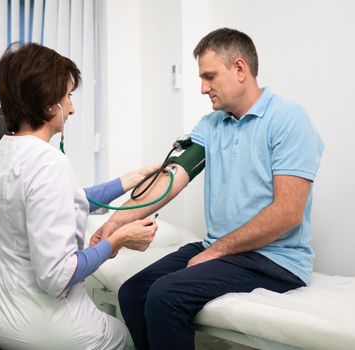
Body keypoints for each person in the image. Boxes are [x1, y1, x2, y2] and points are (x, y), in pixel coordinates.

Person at [90, 27, 324, 350]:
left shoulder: (288, 119)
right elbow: (170, 180)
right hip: (223, 250)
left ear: (240, 69)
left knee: (165, 297)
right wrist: (115, 224)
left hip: (273, 259)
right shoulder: (212, 125)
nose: (202, 88)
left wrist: (213, 252)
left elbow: (287, 213)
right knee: (132, 292)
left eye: (210, 76)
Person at [0, 42, 158, 350]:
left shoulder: (4, 150)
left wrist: (130, 179)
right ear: (50, 105)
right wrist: (118, 240)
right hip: (44, 326)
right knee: (129, 338)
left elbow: (59, 199)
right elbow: (58, 275)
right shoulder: (50, 162)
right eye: (68, 96)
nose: (72, 108)